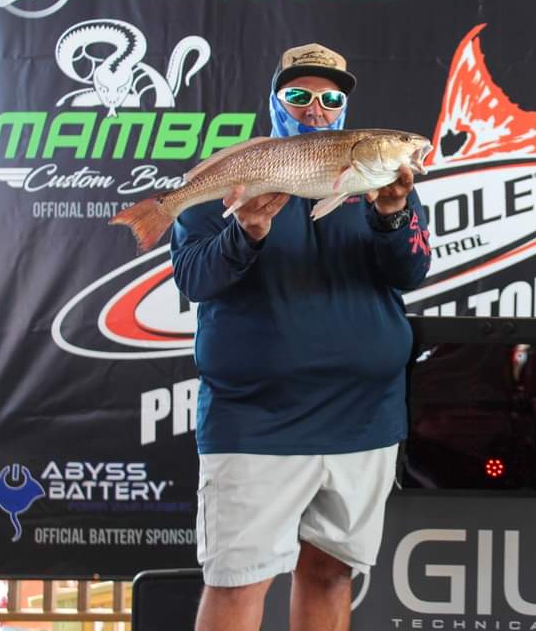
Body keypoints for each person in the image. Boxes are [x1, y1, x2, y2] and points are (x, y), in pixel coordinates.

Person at [171, 42, 431, 631]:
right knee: (237, 582)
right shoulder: (235, 172)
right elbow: (193, 279)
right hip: (255, 417)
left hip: (364, 417)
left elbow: (411, 271)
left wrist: (392, 216)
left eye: (331, 97)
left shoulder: (385, 183)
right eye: (299, 95)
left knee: (332, 574)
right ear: (275, 100)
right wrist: (247, 232)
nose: (317, 107)